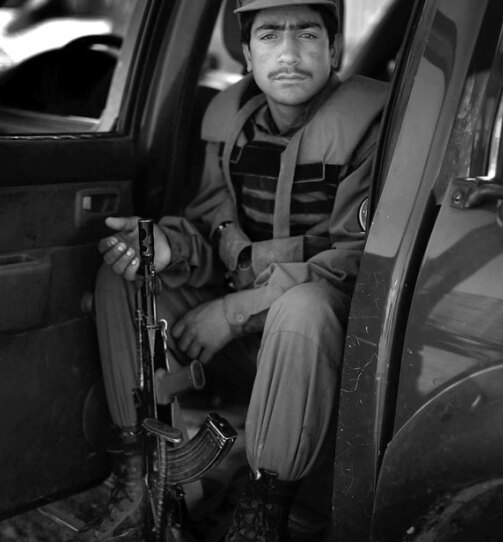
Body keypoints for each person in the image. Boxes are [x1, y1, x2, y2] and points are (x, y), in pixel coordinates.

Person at [93, 0, 388, 539]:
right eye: (271, 37)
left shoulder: (371, 127)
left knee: (306, 306)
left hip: (326, 354)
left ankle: (261, 511)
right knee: (125, 277)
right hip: (244, 339)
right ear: (248, 55)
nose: (291, 54)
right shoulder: (232, 125)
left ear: (334, 48)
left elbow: (357, 260)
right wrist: (167, 247)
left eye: (308, 35)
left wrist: (234, 312)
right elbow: (215, 232)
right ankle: (139, 477)